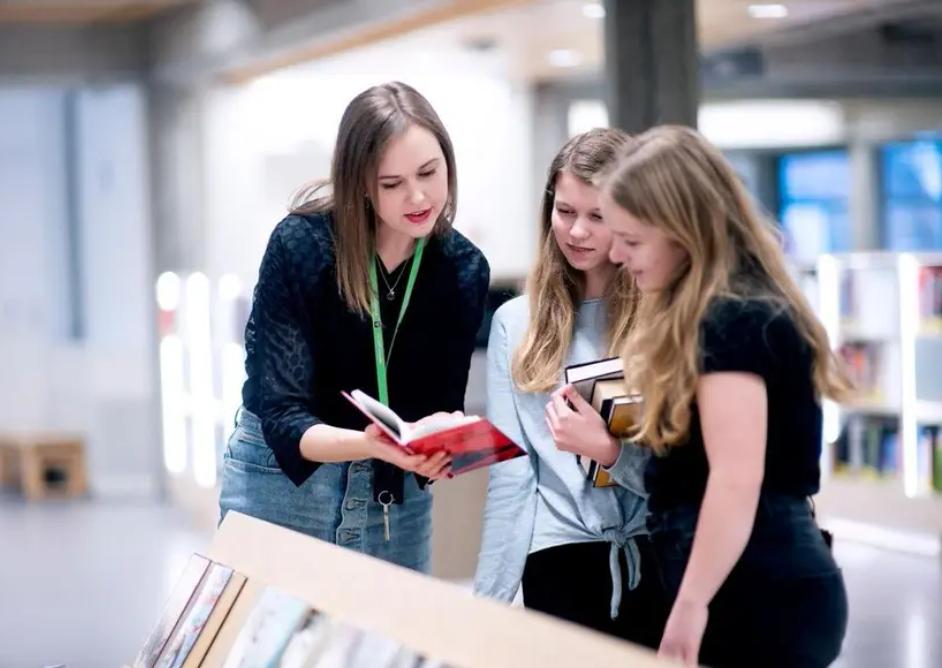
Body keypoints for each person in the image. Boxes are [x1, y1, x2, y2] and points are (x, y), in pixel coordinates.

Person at [600, 125, 849, 667]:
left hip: (756, 589)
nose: (616, 254)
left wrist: (690, 604)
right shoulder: (730, 309)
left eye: (633, 239)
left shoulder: (733, 318)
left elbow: (736, 479)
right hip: (753, 577)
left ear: (683, 231)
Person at [219, 82, 490, 573]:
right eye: (392, 183)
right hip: (286, 488)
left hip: (393, 499)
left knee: (386, 646)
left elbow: (440, 405)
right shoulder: (302, 245)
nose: (418, 196)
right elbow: (281, 414)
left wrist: (438, 444)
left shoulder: (462, 269)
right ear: (360, 183)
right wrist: (369, 443)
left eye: (430, 172)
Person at [474, 129, 664, 648]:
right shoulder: (517, 323)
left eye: (597, 216)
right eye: (564, 211)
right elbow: (511, 481)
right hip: (557, 564)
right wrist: (483, 613)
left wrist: (608, 452)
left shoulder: (661, 315)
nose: (577, 231)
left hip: (658, 555)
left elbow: (685, 478)